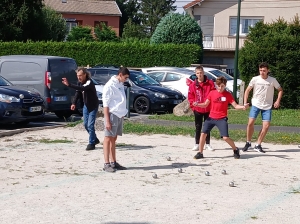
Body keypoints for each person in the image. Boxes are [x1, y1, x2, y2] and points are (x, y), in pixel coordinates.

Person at [193, 76, 249, 160]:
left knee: (225, 137)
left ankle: (235, 149)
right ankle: (200, 153)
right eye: (218, 85)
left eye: (222, 86)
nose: (220, 88)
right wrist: (197, 104)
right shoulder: (212, 93)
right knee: (203, 134)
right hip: (211, 118)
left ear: (225, 85)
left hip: (222, 118)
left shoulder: (228, 94)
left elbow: (235, 105)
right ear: (216, 85)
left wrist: (243, 107)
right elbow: (205, 104)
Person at [242, 62, 283, 153]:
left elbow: (280, 90)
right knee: (250, 123)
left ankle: (258, 144)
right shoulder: (255, 79)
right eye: (260, 70)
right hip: (256, 104)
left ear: (268, 71)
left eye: (264, 70)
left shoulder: (272, 80)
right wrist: (245, 102)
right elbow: (247, 90)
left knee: (266, 126)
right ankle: (248, 142)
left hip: (267, 106)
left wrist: (277, 101)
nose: (262, 72)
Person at [62, 67, 99, 150]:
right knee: (85, 124)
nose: (79, 77)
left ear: (85, 75)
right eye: (77, 75)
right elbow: (78, 93)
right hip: (86, 106)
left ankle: (91, 143)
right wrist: (73, 103)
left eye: (80, 75)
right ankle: (94, 138)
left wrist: (69, 84)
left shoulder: (89, 82)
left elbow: (83, 88)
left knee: (90, 125)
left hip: (93, 106)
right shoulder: (79, 83)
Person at [102, 67, 130, 172]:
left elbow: (120, 99)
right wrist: (107, 120)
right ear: (120, 75)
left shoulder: (120, 84)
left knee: (114, 139)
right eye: (125, 77)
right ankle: (106, 164)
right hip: (112, 114)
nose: (126, 79)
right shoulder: (109, 86)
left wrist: (123, 112)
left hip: (119, 114)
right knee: (108, 138)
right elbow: (106, 104)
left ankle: (113, 162)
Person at [188, 66, 215, 151]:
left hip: (208, 109)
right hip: (198, 109)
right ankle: (197, 144)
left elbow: (213, 94)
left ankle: (208, 144)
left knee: (207, 127)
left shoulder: (210, 83)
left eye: (201, 73)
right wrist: (193, 106)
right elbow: (190, 97)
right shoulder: (193, 85)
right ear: (195, 74)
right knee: (198, 127)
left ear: (203, 73)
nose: (199, 75)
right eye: (198, 73)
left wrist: (211, 105)